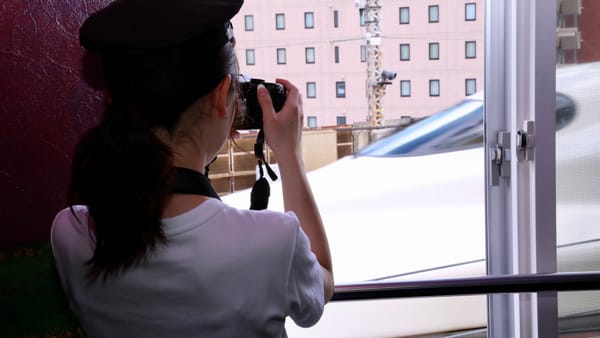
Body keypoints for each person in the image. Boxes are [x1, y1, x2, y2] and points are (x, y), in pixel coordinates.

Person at [50, 0, 334, 337]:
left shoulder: (71, 233)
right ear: (221, 96)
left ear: (113, 98)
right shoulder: (272, 242)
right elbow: (322, 283)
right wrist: (289, 155)